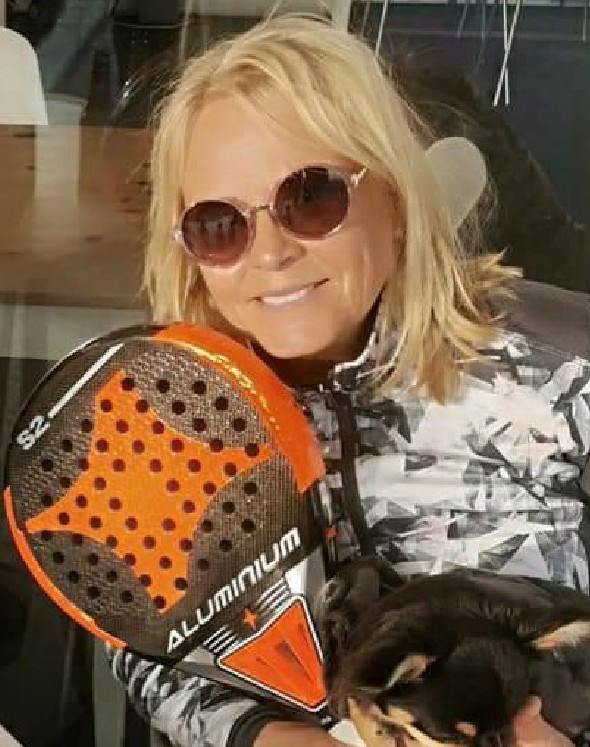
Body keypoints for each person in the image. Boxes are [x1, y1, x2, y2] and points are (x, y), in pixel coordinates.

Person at [107, 12, 590, 747]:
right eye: (219, 223)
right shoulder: (170, 418)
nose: (270, 253)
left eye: (311, 198)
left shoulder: (562, 368)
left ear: (393, 197)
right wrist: (272, 738)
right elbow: (144, 638)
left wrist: (554, 719)